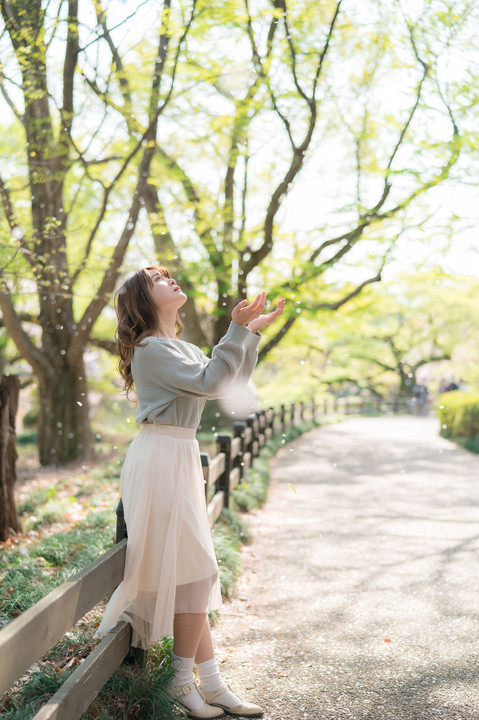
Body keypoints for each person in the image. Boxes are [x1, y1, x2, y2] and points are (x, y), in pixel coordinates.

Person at [95, 266, 285, 719]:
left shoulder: (179, 346)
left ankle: (212, 684)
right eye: (158, 279)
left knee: (191, 573)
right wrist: (235, 330)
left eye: (168, 275)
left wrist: (248, 336)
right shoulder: (149, 349)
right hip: (161, 455)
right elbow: (212, 382)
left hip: (177, 454)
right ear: (143, 299)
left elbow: (229, 384)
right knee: (197, 573)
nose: (171, 280)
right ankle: (183, 682)